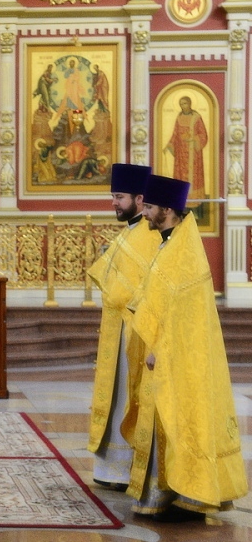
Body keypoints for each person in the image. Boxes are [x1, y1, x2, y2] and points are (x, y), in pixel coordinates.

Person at [124, 174, 248, 521]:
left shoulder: (184, 251)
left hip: (179, 355)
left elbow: (183, 313)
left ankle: (189, 494)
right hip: (166, 350)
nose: (144, 212)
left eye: (149, 207)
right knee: (167, 421)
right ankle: (170, 491)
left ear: (167, 210)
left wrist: (159, 349)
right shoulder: (171, 244)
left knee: (183, 421)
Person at [85, 164, 161, 492]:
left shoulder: (149, 234)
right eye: (113, 196)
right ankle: (111, 468)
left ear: (139, 199)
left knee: (128, 399)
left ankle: (125, 470)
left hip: (134, 332)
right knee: (116, 398)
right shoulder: (129, 232)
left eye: (119, 196)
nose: (114, 202)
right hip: (116, 328)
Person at [164, 95, 208, 199]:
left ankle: (194, 199)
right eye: (181, 104)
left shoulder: (196, 117)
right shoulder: (179, 117)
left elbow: (203, 134)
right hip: (181, 154)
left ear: (189, 103)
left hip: (194, 154)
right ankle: (180, 198)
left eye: (185, 103)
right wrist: (169, 145)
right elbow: (175, 134)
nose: (183, 106)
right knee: (181, 176)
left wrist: (193, 138)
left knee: (194, 176)